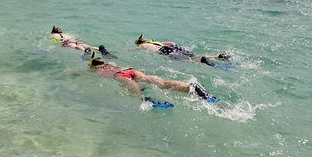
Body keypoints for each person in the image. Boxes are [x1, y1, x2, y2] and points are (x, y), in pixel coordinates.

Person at [87, 53, 217, 102]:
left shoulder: (97, 69)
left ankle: (145, 100)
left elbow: (84, 71)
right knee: (163, 83)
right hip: (131, 70)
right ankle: (191, 87)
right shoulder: (112, 64)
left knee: (131, 87)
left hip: (120, 75)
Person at [135, 34, 230, 66]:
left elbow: (135, 49)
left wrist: (126, 50)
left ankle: (204, 60)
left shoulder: (143, 46)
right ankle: (217, 57)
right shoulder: (155, 42)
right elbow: (172, 43)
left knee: (190, 61)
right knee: (194, 56)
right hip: (173, 48)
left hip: (166, 52)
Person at [49, 26, 116, 58]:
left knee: (75, 46)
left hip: (66, 42)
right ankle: (101, 49)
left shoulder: (53, 35)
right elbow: (73, 36)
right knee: (89, 46)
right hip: (75, 40)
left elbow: (52, 40)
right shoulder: (66, 34)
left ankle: (85, 51)